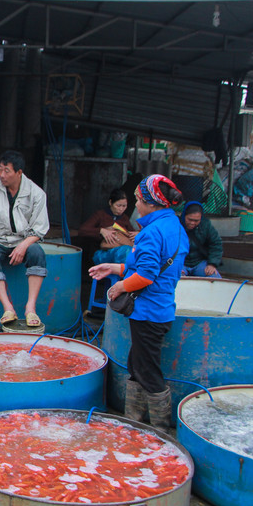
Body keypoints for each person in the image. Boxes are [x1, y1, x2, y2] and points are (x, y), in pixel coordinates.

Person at [89, 174, 188, 433]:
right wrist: (115, 268)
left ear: (151, 203)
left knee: (147, 371)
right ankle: (133, 422)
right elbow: (153, 267)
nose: (135, 205)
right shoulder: (174, 226)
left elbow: (146, 275)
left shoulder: (152, 232)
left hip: (149, 312)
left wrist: (119, 286)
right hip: (161, 308)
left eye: (138, 200)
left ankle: (160, 432)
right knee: (137, 364)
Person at [0, 149, 50, 326]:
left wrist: (23, 246)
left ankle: (30, 308)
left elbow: (40, 228)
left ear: (19, 172)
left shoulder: (36, 193)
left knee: (37, 253)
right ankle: (8, 308)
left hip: (24, 240)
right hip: (0, 240)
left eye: (6, 171)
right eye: (0, 169)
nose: (1, 175)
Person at [78, 188, 136, 265]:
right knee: (125, 252)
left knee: (128, 251)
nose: (121, 209)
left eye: (124, 206)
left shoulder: (124, 218)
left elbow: (131, 233)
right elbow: (82, 230)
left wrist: (137, 233)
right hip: (100, 253)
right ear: (110, 202)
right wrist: (101, 231)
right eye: (118, 205)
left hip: (120, 251)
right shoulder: (100, 215)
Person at [180, 201, 223, 277]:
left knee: (215, 277)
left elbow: (216, 244)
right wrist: (174, 266)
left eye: (196, 221)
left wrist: (212, 264)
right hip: (180, 263)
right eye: (190, 219)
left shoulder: (206, 225)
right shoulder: (176, 225)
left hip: (199, 263)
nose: (192, 223)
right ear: (184, 216)